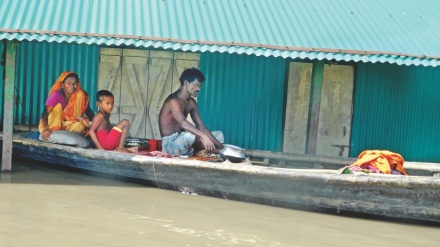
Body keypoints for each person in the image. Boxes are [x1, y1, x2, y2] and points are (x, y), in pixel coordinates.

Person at [159, 68, 224, 156]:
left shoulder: (191, 102)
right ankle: (213, 152)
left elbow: (201, 126)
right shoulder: (173, 101)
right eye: (196, 85)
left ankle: (215, 150)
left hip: (183, 143)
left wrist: (219, 145)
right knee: (190, 136)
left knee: (218, 135)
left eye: (200, 86)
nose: (198, 89)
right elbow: (183, 123)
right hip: (171, 145)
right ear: (186, 83)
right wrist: (203, 136)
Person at [39, 71, 94, 141]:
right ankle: (54, 130)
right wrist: (46, 128)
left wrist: (95, 125)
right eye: (69, 83)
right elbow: (45, 113)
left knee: (80, 126)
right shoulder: (56, 95)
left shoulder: (81, 95)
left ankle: (65, 133)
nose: (72, 86)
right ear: (62, 85)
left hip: (67, 124)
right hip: (52, 124)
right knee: (57, 107)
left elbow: (88, 111)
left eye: (75, 83)